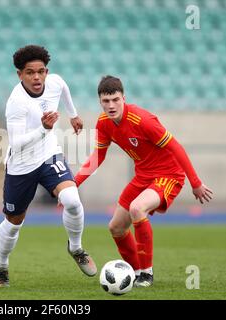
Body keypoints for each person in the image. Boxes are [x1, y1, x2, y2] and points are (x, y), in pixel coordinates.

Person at [74, 76, 213, 287]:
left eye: (115, 100)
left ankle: (146, 274)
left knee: (137, 208)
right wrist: (73, 184)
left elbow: (176, 148)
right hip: (142, 176)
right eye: (106, 101)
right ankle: (135, 272)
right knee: (116, 227)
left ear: (124, 98)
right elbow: (97, 157)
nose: (111, 105)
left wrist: (195, 183)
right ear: (100, 101)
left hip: (168, 175)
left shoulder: (142, 120)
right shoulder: (103, 123)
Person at [0, 45, 97, 287]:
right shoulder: (16, 102)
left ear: (46, 71)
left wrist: (73, 115)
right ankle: (1, 265)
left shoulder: (55, 82)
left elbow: (64, 89)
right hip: (21, 165)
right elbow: (16, 144)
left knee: (71, 199)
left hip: (49, 155)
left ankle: (76, 248)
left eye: (41, 71)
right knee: (13, 222)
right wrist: (43, 129)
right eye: (30, 72)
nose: (37, 77)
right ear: (20, 75)